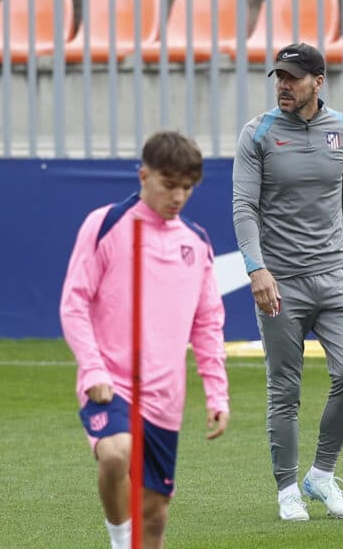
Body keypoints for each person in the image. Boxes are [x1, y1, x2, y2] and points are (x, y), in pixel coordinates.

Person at [60, 131, 230, 549]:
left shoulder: (196, 242)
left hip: (164, 398)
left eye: (187, 188)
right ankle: (120, 541)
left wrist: (217, 394)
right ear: (144, 175)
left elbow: (208, 323)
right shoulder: (105, 224)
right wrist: (93, 368)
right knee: (116, 453)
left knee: (153, 519)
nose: (179, 197)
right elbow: (74, 303)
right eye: (169, 185)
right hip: (109, 383)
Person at [232, 42, 343, 521]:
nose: (283, 86)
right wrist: (257, 269)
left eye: (293, 78)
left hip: (337, 277)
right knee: (285, 390)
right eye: (279, 77)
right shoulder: (258, 134)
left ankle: (322, 474)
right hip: (281, 283)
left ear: (319, 81)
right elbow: (244, 207)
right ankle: (287, 487)